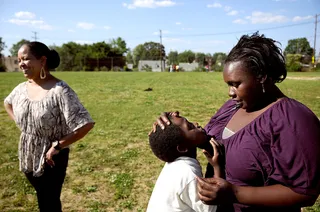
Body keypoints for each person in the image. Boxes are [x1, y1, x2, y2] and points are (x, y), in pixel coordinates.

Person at [151, 32, 320, 212]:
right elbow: (206, 140)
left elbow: (304, 193)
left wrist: (236, 193)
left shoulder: (294, 119)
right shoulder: (233, 106)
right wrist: (168, 128)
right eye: (228, 85)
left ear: (261, 76)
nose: (230, 93)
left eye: (236, 84)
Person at [4, 41, 95, 212]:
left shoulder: (59, 90)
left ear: (42, 60)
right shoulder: (22, 88)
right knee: (42, 198)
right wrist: (21, 123)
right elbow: (7, 103)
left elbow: (86, 124)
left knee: (49, 202)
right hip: (28, 152)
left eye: (26, 59)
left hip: (51, 157)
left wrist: (58, 145)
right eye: (19, 60)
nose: (21, 64)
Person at [147, 112, 224, 212]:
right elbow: (211, 209)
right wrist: (218, 167)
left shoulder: (175, 166)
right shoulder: (188, 173)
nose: (196, 124)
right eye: (191, 127)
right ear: (183, 148)